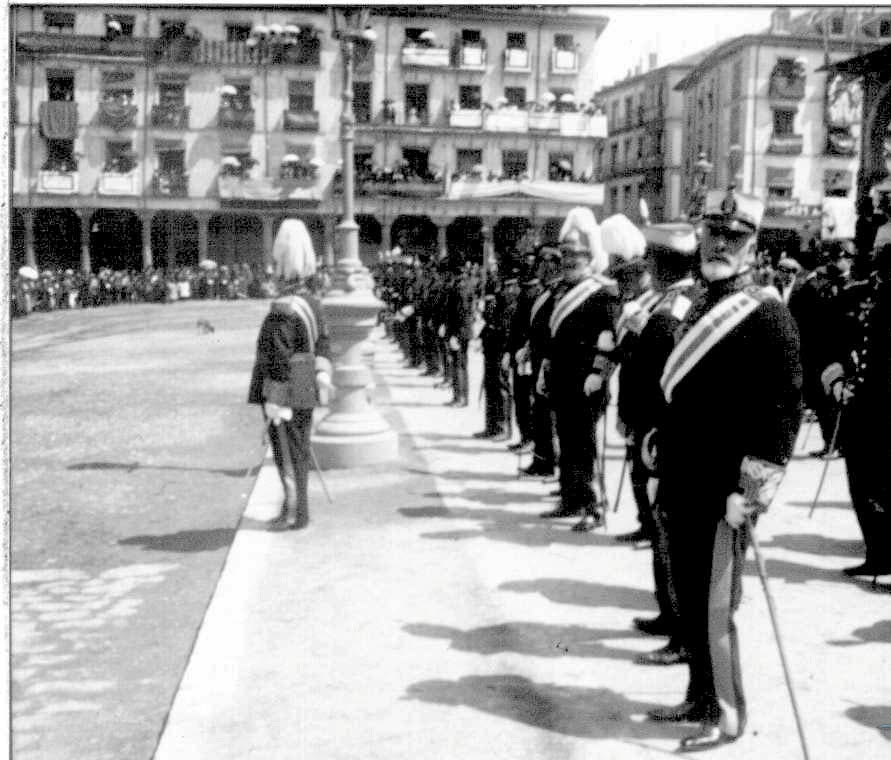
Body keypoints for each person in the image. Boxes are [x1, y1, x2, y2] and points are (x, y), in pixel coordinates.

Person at [644, 191, 802, 751]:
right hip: (683, 481)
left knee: (715, 610)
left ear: (752, 247)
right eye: (712, 236)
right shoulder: (700, 305)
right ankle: (699, 697)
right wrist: (660, 459)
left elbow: (783, 417)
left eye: (732, 239)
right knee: (688, 599)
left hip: (724, 492)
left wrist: (751, 494)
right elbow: (680, 398)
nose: (719, 247)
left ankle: (727, 716)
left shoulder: (768, 314)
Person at [616, 222, 700, 666]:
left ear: (664, 264)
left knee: (667, 531)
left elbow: (664, 380)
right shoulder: (670, 303)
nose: (648, 266)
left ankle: (679, 626)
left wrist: (648, 429)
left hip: (660, 434)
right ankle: (669, 615)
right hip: (652, 431)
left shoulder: (675, 308)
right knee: (660, 528)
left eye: (654, 260)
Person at [247, 230, 333, 531]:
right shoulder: (313, 302)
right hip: (306, 383)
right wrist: (321, 373)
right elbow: (323, 344)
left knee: (286, 453)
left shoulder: (283, 307)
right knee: (300, 449)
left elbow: (278, 358)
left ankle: (295, 512)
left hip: (284, 391)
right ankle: (298, 509)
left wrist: (274, 398)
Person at [537, 231, 620, 532]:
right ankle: (570, 498)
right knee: (567, 441)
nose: (570, 261)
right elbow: (553, 337)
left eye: (577, 256)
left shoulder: (603, 292)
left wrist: (599, 374)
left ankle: (592, 505)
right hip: (561, 378)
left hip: (587, 383)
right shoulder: (561, 290)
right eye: (566, 256)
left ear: (590, 258)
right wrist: (545, 367)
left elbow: (610, 339)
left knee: (584, 445)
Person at [820, 241, 891, 579]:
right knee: (862, 481)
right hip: (860, 403)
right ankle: (877, 553)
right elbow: (830, 344)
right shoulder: (854, 294)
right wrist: (836, 382)